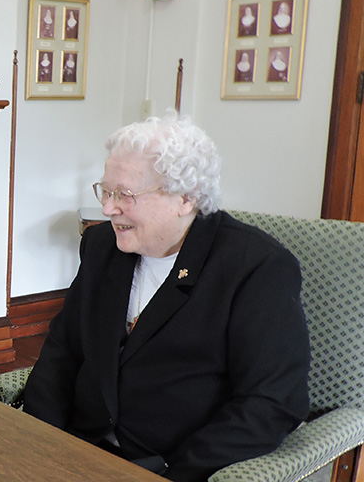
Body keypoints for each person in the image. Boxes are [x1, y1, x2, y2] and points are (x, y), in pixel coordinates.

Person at [20, 112, 309, 482]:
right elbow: (63, 349)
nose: (108, 208)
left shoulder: (256, 267)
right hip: (77, 449)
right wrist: (37, 441)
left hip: (169, 464)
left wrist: (176, 472)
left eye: (124, 194)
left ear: (185, 198)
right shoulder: (101, 246)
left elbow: (272, 402)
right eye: (105, 191)